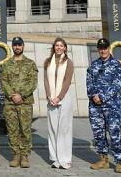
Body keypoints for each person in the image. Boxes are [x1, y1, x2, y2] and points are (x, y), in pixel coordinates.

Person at [87, 38, 121, 173]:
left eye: (105, 48)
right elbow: (89, 83)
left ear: (109, 49)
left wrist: (102, 97)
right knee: (98, 134)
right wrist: (94, 96)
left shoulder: (116, 65)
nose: (103, 50)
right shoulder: (93, 65)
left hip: (112, 106)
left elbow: (117, 85)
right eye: (100, 48)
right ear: (98, 49)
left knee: (114, 133)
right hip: (95, 106)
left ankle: (119, 161)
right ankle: (103, 159)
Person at [0, 36, 38, 168]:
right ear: (12, 46)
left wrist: (21, 95)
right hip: (10, 103)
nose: (17, 47)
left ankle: (25, 155)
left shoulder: (30, 63)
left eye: (19, 45)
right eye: (15, 45)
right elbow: (3, 81)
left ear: (23, 46)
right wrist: (12, 95)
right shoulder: (6, 64)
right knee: (12, 130)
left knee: (25, 130)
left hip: (25, 102)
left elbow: (33, 82)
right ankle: (15, 155)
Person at [44, 37, 74, 170]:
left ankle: (66, 159)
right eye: (57, 45)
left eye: (61, 46)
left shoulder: (68, 62)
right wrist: (49, 96)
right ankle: (55, 158)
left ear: (65, 48)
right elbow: (45, 81)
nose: (59, 48)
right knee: (53, 129)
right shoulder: (47, 62)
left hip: (64, 99)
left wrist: (59, 97)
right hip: (51, 100)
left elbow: (67, 81)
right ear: (54, 47)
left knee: (64, 130)